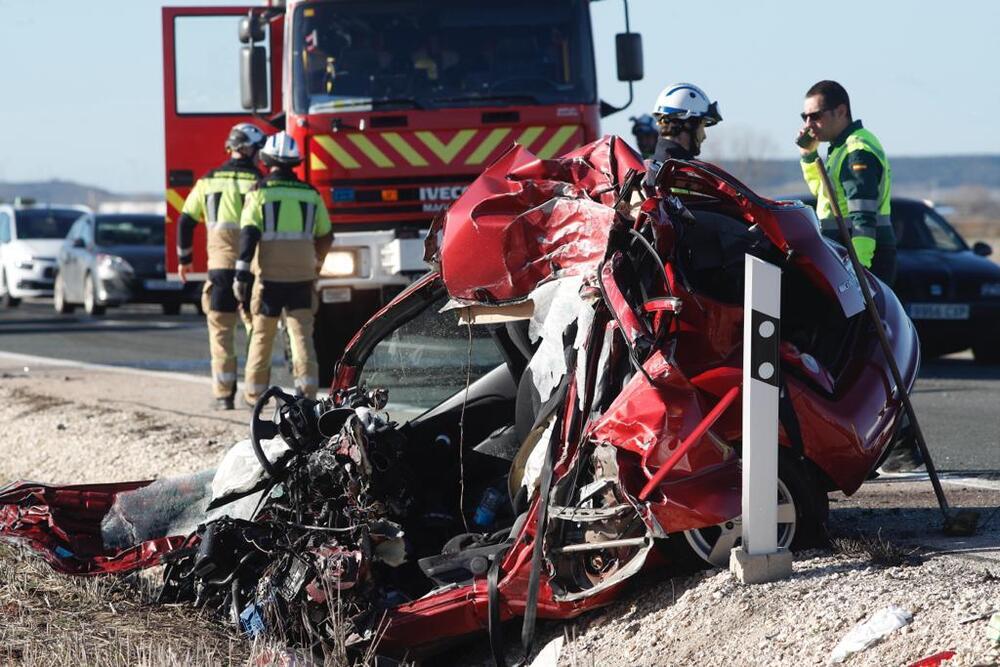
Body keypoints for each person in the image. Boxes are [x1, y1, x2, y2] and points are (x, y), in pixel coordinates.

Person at [235, 131, 333, 405]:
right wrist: (316, 263)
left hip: (269, 278)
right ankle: (308, 393)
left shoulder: (259, 193)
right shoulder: (311, 195)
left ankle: (254, 395)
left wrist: (242, 273)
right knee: (302, 334)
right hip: (303, 277)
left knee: (262, 336)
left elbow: (248, 236)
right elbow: (326, 235)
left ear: (268, 160)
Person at [176, 123, 264, 410]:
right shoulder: (260, 183)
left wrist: (184, 259)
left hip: (219, 270)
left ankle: (224, 395)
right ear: (250, 149)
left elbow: (185, 220)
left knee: (221, 333)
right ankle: (255, 397)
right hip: (252, 271)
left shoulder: (207, 182)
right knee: (257, 332)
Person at [797, 80, 896, 285]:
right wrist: (809, 156)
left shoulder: (856, 151)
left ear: (841, 111)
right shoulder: (840, 147)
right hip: (845, 251)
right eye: (804, 117)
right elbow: (824, 194)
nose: (808, 124)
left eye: (815, 116)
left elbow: (864, 218)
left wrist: (859, 271)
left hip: (861, 256)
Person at [643, 83, 722, 192]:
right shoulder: (679, 174)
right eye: (702, 127)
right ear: (686, 124)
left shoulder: (656, 167)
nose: (704, 136)